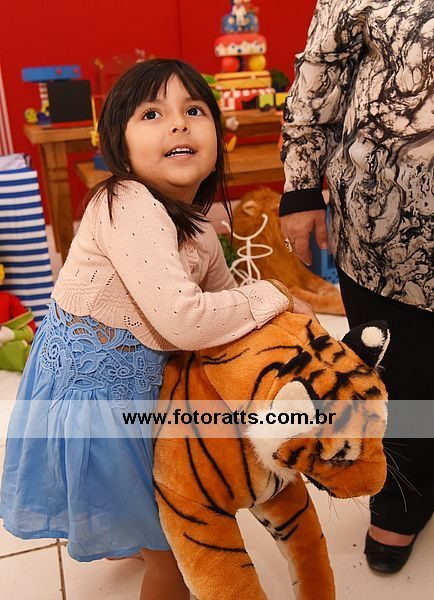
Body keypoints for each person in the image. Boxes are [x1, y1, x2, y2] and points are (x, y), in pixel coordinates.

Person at [0, 59, 315, 599]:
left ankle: (129, 534)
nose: (177, 123)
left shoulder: (202, 232)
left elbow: (223, 319)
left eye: (194, 110)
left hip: (141, 393)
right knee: (173, 547)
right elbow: (185, 320)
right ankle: (147, 551)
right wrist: (274, 294)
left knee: (145, 509)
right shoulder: (125, 202)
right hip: (95, 399)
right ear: (119, 148)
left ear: (219, 138)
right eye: (152, 113)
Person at [279, 0, 433, 574]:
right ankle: (402, 497)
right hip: (389, 231)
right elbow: (321, 69)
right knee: (403, 376)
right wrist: (300, 186)